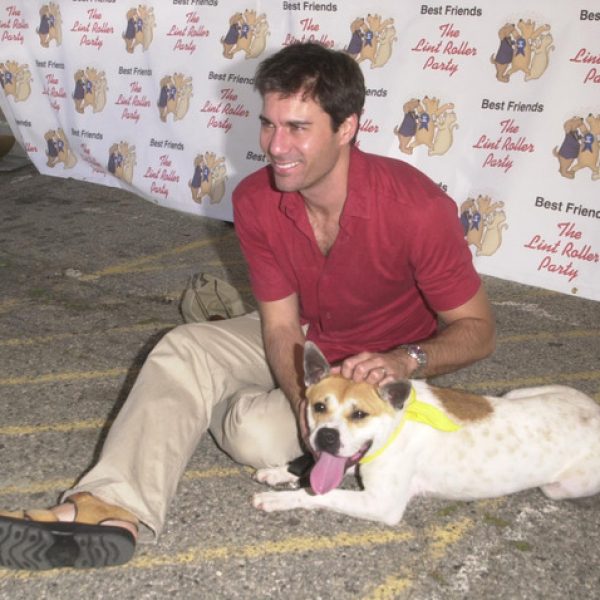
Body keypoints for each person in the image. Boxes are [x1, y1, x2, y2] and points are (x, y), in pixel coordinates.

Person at [0, 42, 495, 571]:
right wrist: (304, 399)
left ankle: (184, 404)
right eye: (268, 124)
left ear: (347, 127)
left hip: (371, 373)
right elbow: (281, 324)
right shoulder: (256, 199)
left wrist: (405, 360)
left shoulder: (416, 209)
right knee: (183, 348)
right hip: (308, 336)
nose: (275, 145)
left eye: (298, 128)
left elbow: (478, 330)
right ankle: (111, 504)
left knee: (252, 437)